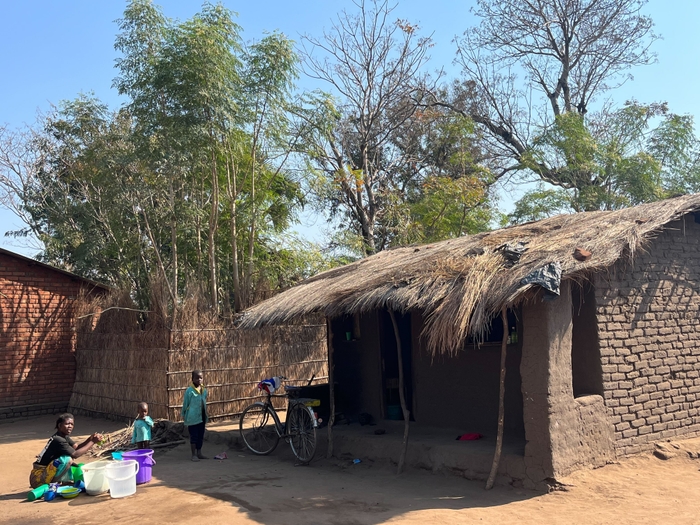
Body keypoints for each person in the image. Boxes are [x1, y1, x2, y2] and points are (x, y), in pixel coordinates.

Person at [29, 413, 103, 488]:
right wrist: (93, 442)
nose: (70, 426)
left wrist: (89, 439)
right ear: (59, 425)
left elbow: (76, 448)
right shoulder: (58, 439)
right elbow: (75, 454)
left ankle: (62, 481)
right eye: (67, 424)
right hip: (38, 478)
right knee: (67, 459)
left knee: (68, 459)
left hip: (44, 474)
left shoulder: (63, 437)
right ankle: (52, 484)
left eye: (72, 424)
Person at [182, 370, 208, 462]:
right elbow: (185, 404)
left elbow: (204, 402)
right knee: (194, 436)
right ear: (192, 379)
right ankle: (193, 454)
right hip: (192, 418)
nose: (199, 380)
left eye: (201, 378)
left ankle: (199, 453)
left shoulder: (204, 390)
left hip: (202, 417)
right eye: (197, 378)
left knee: (201, 435)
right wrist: (184, 414)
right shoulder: (189, 391)